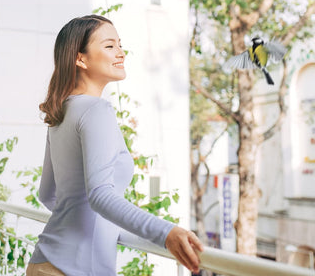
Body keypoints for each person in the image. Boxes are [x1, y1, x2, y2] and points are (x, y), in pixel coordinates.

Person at [26, 15, 204, 276]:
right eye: (109, 46)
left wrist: (99, 224)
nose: (121, 53)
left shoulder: (61, 112)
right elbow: (100, 196)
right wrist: (166, 232)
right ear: (80, 59)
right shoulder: (96, 110)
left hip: (44, 263)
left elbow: (47, 194)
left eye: (120, 45)